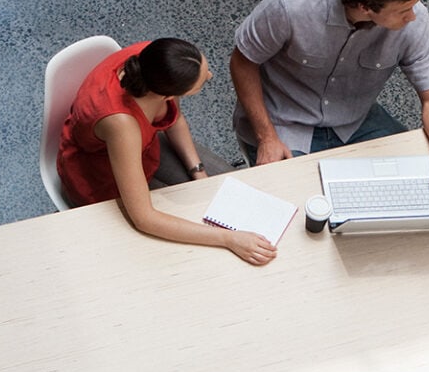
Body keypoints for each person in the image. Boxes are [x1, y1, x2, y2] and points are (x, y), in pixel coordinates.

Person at [229, 0, 429, 212]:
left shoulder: (415, 20)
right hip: (284, 121)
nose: (413, 17)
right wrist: (266, 137)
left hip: (355, 120)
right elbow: (243, 61)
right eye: (403, 11)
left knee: (419, 178)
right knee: (292, 208)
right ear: (365, 7)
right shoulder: (290, 5)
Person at [58, 38, 276, 266]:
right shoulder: (121, 123)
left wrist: (198, 172)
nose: (210, 75)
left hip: (143, 145)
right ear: (167, 96)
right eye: (201, 82)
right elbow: (144, 218)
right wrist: (229, 238)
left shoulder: (155, 60)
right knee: (184, 248)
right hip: (100, 176)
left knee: (217, 186)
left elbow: (174, 118)